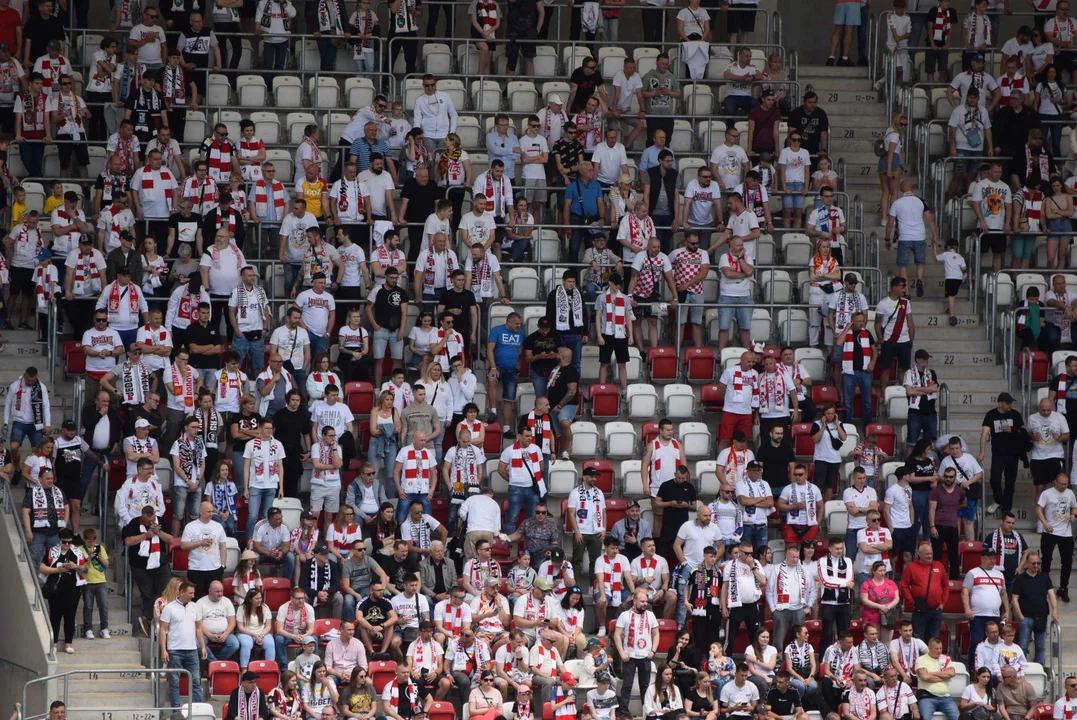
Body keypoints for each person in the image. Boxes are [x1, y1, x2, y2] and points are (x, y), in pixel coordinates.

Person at [160, 580, 207, 707]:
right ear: (181, 592)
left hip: (191, 649)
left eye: (193, 593)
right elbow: (163, 630)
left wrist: (202, 646)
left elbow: (198, 628)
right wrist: (164, 650)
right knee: (174, 682)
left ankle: (198, 710)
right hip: (175, 650)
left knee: (196, 681)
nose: (193, 595)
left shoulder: (195, 607)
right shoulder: (169, 608)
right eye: (190, 593)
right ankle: (176, 711)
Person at [614, 588, 660, 712]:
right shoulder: (624, 615)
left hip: (646, 655)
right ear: (634, 601)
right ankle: (623, 712)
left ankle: (647, 711)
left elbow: (656, 634)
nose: (645, 604)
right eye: (642, 601)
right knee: (627, 685)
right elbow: (617, 635)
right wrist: (622, 652)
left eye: (646, 601)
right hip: (630, 655)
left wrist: (653, 650)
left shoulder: (650, 615)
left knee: (645, 686)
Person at [1011, 550, 1057, 664]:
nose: (1036, 565)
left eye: (1038, 563)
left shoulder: (1044, 577)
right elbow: (1014, 599)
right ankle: (1022, 670)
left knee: (1041, 647)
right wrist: (1020, 616)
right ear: (1027, 563)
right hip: (1025, 617)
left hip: (1041, 616)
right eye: (1033, 563)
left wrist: (1055, 610)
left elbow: (1051, 594)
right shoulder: (1020, 579)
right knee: (1023, 646)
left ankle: (1039, 670)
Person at [1037, 472, 1076, 602]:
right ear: (1055, 482)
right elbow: (1038, 509)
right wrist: (1045, 523)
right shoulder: (1047, 493)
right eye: (1061, 484)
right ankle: (1045, 584)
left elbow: (1075, 507)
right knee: (1047, 558)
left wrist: (1074, 515)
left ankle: (1063, 588)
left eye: (1066, 484)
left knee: (1067, 562)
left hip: (1066, 533)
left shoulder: (1070, 493)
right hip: (1050, 531)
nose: (1064, 487)